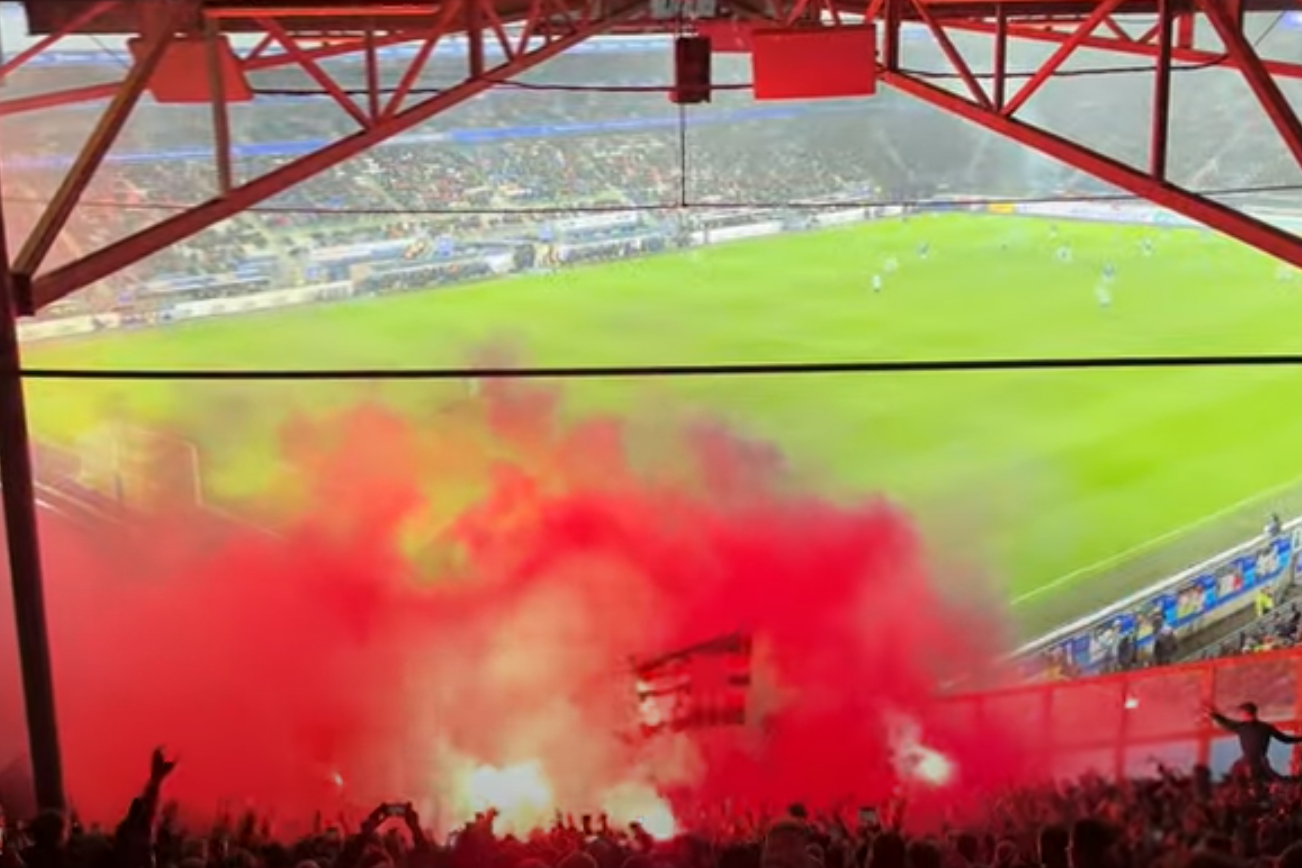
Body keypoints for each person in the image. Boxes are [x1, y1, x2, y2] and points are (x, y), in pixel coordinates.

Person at [1207, 701, 1302, 784]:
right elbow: (1286, 739)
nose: (1239, 716)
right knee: (1277, 781)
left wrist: (1213, 715)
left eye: (1240, 713)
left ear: (1245, 713)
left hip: (1253, 763)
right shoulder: (1266, 727)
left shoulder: (1242, 727)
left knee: (1233, 778)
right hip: (1260, 762)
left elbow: (1226, 723)